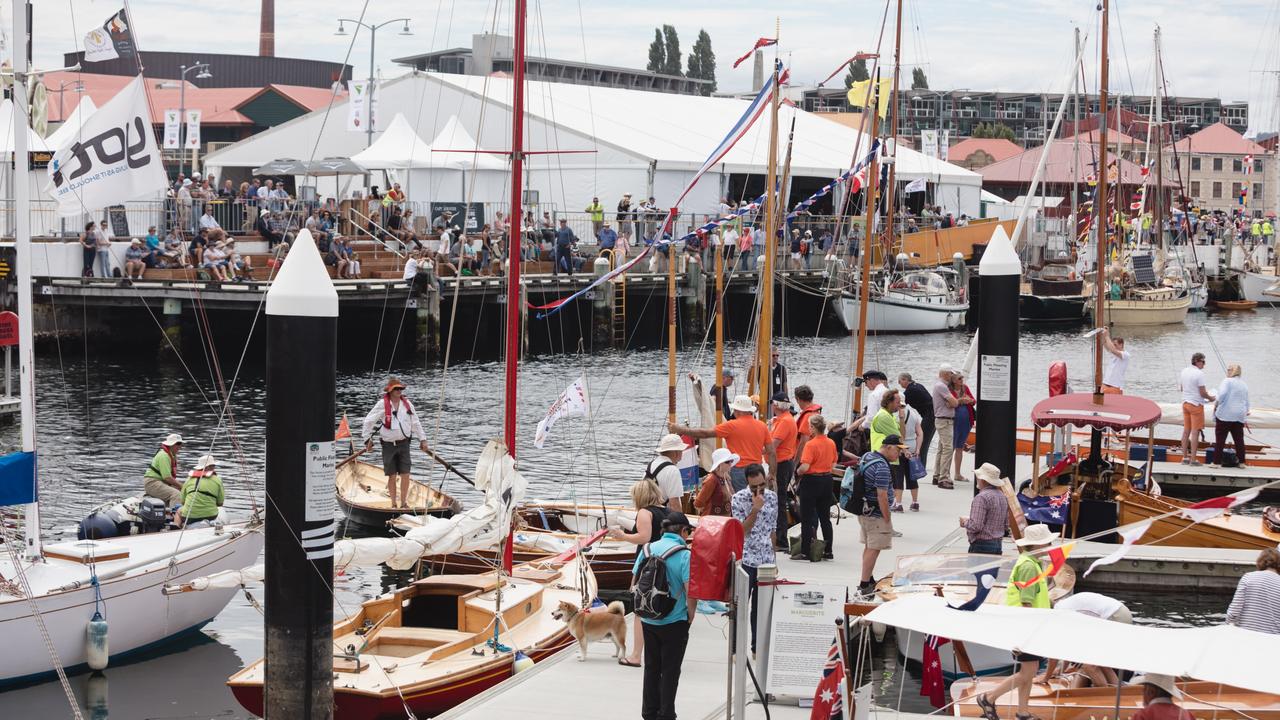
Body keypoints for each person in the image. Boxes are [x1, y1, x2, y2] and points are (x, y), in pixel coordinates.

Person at [974, 524, 1057, 720]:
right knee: (1028, 672)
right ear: (1039, 545)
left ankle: (1023, 711)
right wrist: (1030, 630)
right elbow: (1026, 600)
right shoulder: (1029, 566)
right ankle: (989, 697)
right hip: (1026, 626)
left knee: (1029, 670)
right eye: (1048, 542)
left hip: (1027, 624)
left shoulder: (1030, 562)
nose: (1051, 545)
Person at [635, 511, 695, 720]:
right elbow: (691, 590)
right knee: (670, 670)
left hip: (648, 617)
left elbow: (634, 582)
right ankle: (666, 714)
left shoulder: (648, 548)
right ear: (683, 531)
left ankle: (649, 712)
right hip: (674, 620)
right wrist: (690, 614)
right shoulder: (684, 554)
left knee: (651, 666)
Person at [608, 479, 670, 668]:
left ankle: (636, 655)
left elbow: (644, 537)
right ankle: (661, 654)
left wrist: (623, 536)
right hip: (666, 560)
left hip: (648, 562)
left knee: (640, 609)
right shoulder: (666, 511)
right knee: (662, 607)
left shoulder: (645, 512)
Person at [670, 395, 775, 492]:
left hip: (739, 470)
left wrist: (681, 429)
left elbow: (705, 433)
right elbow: (771, 451)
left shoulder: (731, 426)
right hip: (757, 469)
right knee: (757, 496)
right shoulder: (762, 426)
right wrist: (771, 472)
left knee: (740, 500)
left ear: (738, 411)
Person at [360, 377, 430, 509]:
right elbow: (368, 421)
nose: (399, 391)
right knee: (391, 475)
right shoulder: (382, 404)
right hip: (388, 445)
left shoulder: (407, 404)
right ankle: (393, 503)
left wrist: (423, 439)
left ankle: (403, 503)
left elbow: (415, 423)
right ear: (390, 391)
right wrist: (367, 439)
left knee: (406, 474)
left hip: (404, 444)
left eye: (401, 388)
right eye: (396, 389)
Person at [730, 464, 776, 653]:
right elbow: (741, 531)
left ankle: (757, 647)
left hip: (766, 559)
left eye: (762, 486)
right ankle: (735, 648)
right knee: (740, 606)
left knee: (761, 608)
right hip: (747, 558)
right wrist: (755, 509)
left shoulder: (772, 497)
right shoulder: (738, 498)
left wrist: (775, 560)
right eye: (754, 487)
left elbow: (773, 529)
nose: (759, 490)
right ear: (747, 484)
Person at [854, 434, 901, 596]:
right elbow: (882, 495)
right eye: (897, 450)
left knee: (869, 546)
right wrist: (887, 517)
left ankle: (869, 577)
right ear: (888, 447)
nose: (899, 454)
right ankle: (864, 584)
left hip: (864, 510)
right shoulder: (882, 467)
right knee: (874, 548)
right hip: (876, 514)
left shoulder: (867, 456)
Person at [794, 414, 838, 562]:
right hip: (826, 480)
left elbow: (805, 466)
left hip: (811, 481)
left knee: (807, 518)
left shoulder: (810, 445)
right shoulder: (831, 442)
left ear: (813, 427)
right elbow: (833, 464)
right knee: (825, 518)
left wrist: (797, 472)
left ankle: (806, 552)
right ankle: (828, 550)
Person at [1226, 547, 1280, 634]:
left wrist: (1229, 623)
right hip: (1273, 639)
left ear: (1260, 562)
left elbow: (1235, 609)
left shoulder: (1248, 577)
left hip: (1247, 634)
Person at [767, 392, 797, 549]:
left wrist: (757, 449)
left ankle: (781, 540)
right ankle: (779, 538)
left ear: (776, 405)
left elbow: (773, 445)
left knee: (778, 501)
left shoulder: (785, 421)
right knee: (778, 500)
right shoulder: (783, 420)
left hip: (781, 465)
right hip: (782, 463)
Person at [960, 463, 1010, 554]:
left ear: (982, 480)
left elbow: (976, 526)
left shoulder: (981, 498)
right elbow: (1006, 525)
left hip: (982, 545)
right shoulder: (1002, 496)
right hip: (998, 544)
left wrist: (964, 522)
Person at [1178, 353, 1215, 466]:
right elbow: (1202, 393)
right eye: (1203, 362)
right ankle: (1193, 459)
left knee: (1186, 431)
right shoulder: (1199, 374)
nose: (1204, 364)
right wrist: (1211, 398)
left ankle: (1184, 458)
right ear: (1198, 361)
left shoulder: (1184, 371)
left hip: (1185, 403)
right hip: (1196, 405)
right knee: (1195, 433)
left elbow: (1182, 388)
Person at [1211, 364, 1250, 468]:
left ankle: (1216, 462)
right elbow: (1247, 402)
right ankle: (1241, 462)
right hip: (1239, 415)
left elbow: (1222, 394)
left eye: (1228, 370)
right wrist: (1245, 414)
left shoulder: (1227, 381)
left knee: (1220, 438)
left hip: (1226, 414)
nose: (1227, 372)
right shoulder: (1244, 384)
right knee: (1239, 440)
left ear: (1232, 371)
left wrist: (1217, 403)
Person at [932, 364, 964, 489]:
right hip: (945, 421)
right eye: (951, 374)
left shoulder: (940, 385)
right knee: (948, 448)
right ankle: (943, 477)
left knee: (941, 448)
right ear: (945, 374)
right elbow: (954, 402)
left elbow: (952, 403)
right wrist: (957, 401)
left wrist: (953, 402)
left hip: (942, 420)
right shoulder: (942, 386)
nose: (952, 376)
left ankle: (937, 474)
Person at [178, 454, 225, 528]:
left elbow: (183, 502)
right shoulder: (217, 480)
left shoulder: (188, 480)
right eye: (213, 466)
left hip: (189, 517)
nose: (214, 468)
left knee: (178, 511)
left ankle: (176, 529)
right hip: (211, 516)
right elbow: (220, 503)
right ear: (208, 467)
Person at [647, 434, 691, 511]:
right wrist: (680, 521)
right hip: (662, 516)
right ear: (676, 453)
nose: (682, 453)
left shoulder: (651, 464)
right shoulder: (672, 470)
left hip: (646, 512)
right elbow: (674, 503)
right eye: (681, 450)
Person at [899, 372, 936, 463]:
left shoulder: (910, 391)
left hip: (929, 416)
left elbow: (900, 404)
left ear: (905, 380)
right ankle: (921, 463)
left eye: (899, 381)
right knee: (925, 441)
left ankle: (920, 465)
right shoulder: (918, 385)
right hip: (934, 414)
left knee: (922, 443)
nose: (899, 384)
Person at [143, 433, 185, 507]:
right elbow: (167, 478)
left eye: (180, 443)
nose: (180, 446)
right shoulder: (164, 455)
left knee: (183, 491)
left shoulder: (171, 455)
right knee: (176, 494)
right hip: (152, 483)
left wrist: (182, 487)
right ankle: (175, 516)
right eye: (178, 444)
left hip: (159, 482)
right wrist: (182, 486)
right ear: (171, 445)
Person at [1129, 674, 1195, 720]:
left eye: (1144, 690)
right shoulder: (1187, 715)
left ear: (1151, 691)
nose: (1142, 693)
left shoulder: (1142, 715)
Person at [695, 448, 738, 517]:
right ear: (719, 464)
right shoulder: (712, 480)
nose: (730, 464)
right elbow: (698, 503)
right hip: (712, 523)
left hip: (724, 522)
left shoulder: (726, 478)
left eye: (731, 461)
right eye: (727, 461)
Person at [951, 372, 976, 483]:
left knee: (960, 447)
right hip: (953, 422)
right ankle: (945, 473)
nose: (962, 380)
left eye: (962, 378)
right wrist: (961, 400)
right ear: (954, 380)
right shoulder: (949, 390)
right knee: (950, 447)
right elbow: (949, 404)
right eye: (959, 378)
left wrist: (969, 400)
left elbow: (974, 401)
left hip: (966, 422)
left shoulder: (965, 388)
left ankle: (957, 473)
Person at [1100, 328, 1130, 393]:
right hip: (1105, 384)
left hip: (1115, 386)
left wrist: (1107, 336)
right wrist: (1104, 335)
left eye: (1115, 345)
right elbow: (1104, 343)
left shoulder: (1125, 355)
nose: (1113, 346)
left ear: (1121, 344)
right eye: (1113, 345)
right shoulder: (1112, 353)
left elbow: (1113, 350)